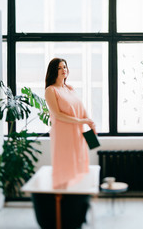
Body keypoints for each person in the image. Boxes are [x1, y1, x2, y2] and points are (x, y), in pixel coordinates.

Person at [44, 58, 96, 189]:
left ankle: (75, 200)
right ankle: (60, 201)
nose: (63, 70)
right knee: (64, 168)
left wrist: (89, 121)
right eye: (59, 68)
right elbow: (57, 114)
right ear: (53, 71)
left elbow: (81, 108)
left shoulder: (70, 88)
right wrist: (82, 121)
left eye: (65, 67)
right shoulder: (50, 90)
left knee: (79, 165)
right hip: (63, 135)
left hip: (78, 132)